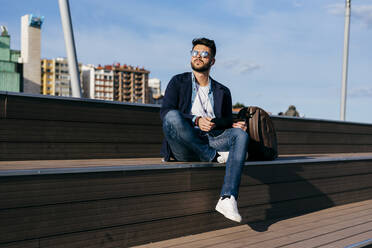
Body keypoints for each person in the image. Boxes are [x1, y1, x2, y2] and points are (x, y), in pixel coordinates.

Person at [160, 38, 249, 222]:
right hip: (184, 144)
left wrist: (231, 124)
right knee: (172, 117)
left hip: (211, 139)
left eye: (204, 54)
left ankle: (227, 197)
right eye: (195, 53)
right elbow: (165, 112)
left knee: (240, 134)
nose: (198, 56)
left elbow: (223, 120)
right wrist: (196, 120)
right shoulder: (178, 82)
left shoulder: (222, 91)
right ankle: (213, 156)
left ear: (212, 60)